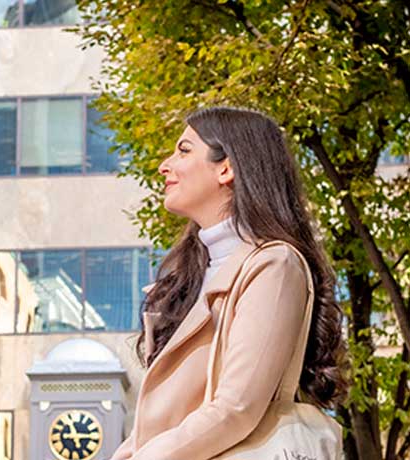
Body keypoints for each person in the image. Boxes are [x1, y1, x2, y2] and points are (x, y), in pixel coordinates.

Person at [111, 107, 347, 459]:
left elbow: (238, 407)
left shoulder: (273, 264)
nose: (165, 165)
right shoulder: (190, 277)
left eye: (184, 150)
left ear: (227, 168)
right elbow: (161, 421)